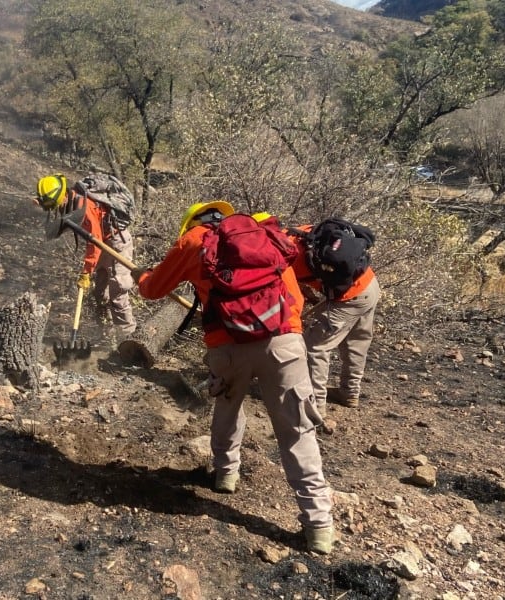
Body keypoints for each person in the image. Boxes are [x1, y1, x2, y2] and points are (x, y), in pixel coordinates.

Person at [133, 201, 335, 555]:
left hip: (227, 349)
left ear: (190, 222)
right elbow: (296, 299)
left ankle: (226, 474)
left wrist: (142, 276)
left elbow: (152, 290)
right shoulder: (264, 236)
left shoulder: (193, 241)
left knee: (228, 408)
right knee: (297, 430)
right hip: (285, 342)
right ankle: (319, 526)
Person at [287, 222, 380, 417]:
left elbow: (291, 295)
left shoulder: (284, 254)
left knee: (315, 347)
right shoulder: (303, 232)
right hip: (370, 285)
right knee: (356, 342)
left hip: (349, 298)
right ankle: (349, 393)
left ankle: (315, 405)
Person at [36, 174, 136, 337]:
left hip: (117, 243)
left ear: (61, 195)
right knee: (100, 292)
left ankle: (128, 337)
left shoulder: (84, 206)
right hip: (105, 243)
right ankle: (107, 332)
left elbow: (94, 242)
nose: (56, 208)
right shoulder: (71, 199)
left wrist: (86, 272)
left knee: (118, 291)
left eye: (55, 204)